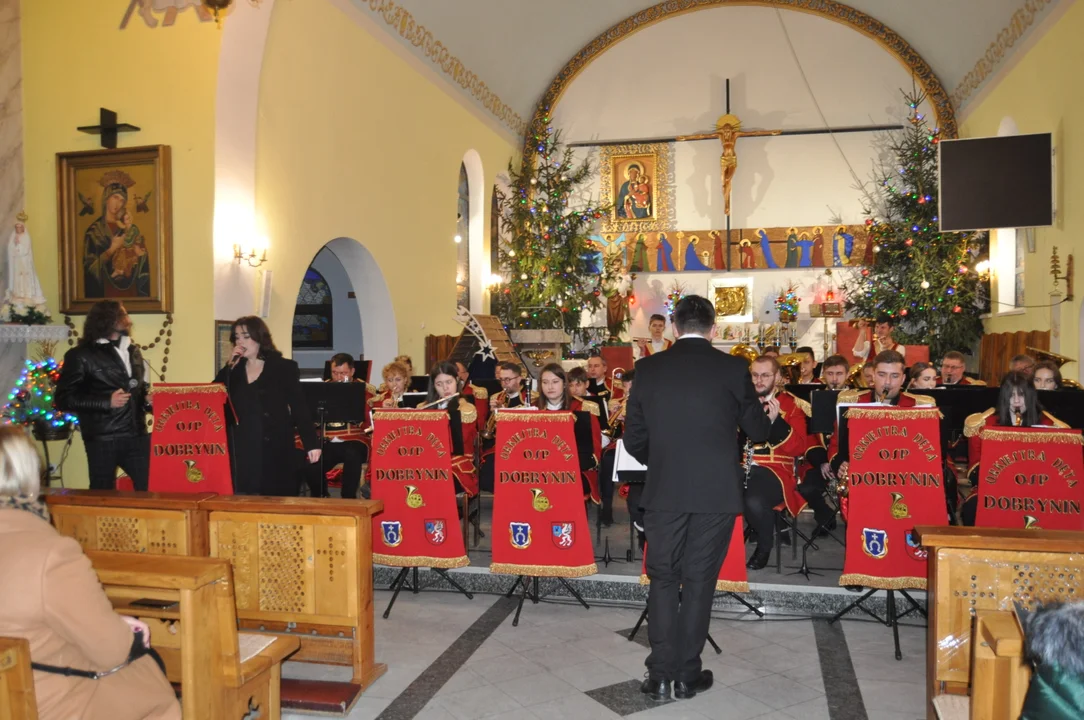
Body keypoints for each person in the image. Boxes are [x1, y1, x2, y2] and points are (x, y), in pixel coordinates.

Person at [623, 295, 779, 701]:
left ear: (674, 327)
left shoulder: (648, 368)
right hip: (716, 493)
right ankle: (687, 675)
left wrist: (664, 463)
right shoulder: (732, 368)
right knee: (698, 581)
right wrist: (769, 415)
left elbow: (634, 438)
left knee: (662, 579)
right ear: (713, 330)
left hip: (663, 491)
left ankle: (658, 675)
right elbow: (758, 433)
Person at [0, 427, 180, 720]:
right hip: (37, 701)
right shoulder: (50, 554)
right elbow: (113, 650)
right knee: (149, 679)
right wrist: (123, 632)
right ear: (29, 478)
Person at [215, 316, 320, 495]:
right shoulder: (234, 370)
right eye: (237, 337)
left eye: (246, 336)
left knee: (274, 497)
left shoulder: (283, 367)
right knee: (244, 496)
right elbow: (214, 393)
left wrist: (311, 443)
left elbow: (299, 407)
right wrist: (229, 367)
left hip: (274, 444)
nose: (240, 341)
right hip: (242, 445)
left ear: (259, 338)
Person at [56, 301, 151, 491]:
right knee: (102, 492)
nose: (129, 320)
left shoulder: (133, 352)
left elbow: (137, 391)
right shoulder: (80, 355)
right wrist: (106, 402)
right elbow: (63, 399)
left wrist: (147, 401)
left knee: (151, 487)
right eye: (123, 315)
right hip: (102, 438)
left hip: (136, 435)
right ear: (108, 320)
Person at [960, 371, 1067, 525]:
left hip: (1038, 489)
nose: (1016, 401)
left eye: (1021, 395)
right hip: (995, 489)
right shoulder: (984, 424)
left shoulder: (1050, 425)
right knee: (972, 507)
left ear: (1030, 396)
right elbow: (974, 472)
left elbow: (1058, 470)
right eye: (1011, 395)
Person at [742, 355, 817, 569]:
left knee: (754, 500)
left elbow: (799, 448)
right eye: (755, 375)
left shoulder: (791, 405)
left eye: (765, 375)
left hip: (777, 471)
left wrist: (777, 423)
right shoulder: (741, 403)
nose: (759, 380)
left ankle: (764, 547)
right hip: (741, 468)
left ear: (777, 377)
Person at [302, 354, 372, 499]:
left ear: (352, 372)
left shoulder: (365, 391)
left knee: (352, 454)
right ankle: (321, 497)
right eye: (335, 373)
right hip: (327, 440)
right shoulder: (321, 389)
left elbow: (369, 421)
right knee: (311, 462)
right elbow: (310, 419)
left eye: (343, 373)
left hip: (354, 439)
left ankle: (348, 499)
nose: (338, 377)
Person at [534, 363, 602, 502]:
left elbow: (594, 445)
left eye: (555, 382)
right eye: (545, 382)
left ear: (565, 384)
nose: (550, 387)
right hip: (539, 468)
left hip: (575, 467)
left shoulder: (584, 407)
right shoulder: (532, 409)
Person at [83, 171, 150, 299]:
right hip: (104, 295)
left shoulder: (129, 228)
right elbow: (89, 270)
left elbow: (142, 256)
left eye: (122, 200)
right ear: (106, 198)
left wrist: (140, 254)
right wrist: (112, 249)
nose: (117, 204)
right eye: (115, 198)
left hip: (130, 292)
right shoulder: (94, 232)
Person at [425, 361, 478, 496]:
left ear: (457, 382)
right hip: (429, 463)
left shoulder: (466, 409)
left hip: (457, 465)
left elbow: (463, 443)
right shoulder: (423, 408)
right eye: (439, 384)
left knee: (439, 479)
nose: (445, 388)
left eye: (449, 382)